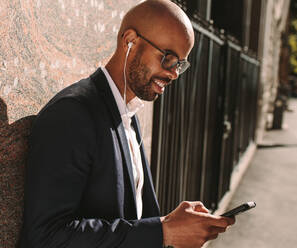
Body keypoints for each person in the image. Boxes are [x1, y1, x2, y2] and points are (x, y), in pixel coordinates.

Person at [20, 0, 235, 247]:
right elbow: (46, 236)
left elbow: (129, 218)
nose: (174, 73)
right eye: (168, 58)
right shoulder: (73, 114)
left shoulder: (126, 111)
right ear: (130, 40)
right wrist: (163, 231)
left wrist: (172, 223)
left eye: (180, 64)